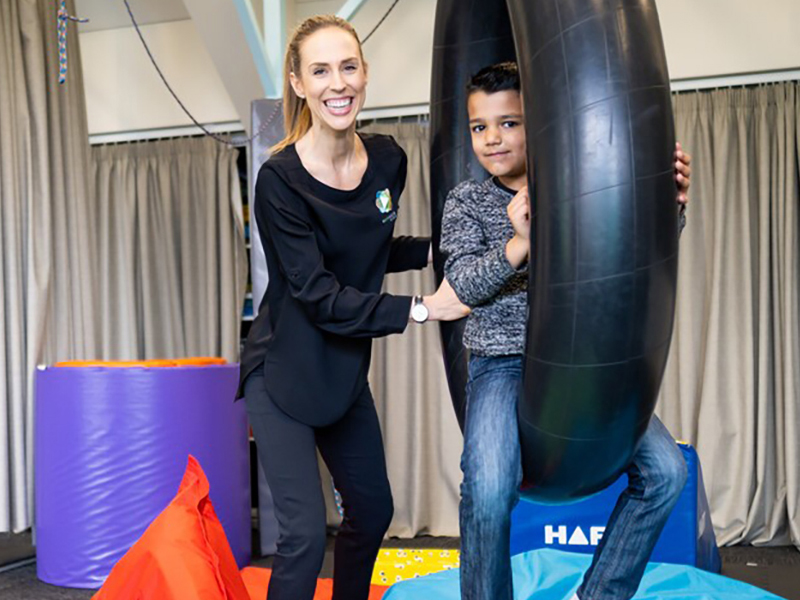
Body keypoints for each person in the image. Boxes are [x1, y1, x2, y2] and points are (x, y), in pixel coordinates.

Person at [440, 62, 693, 600]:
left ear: (542, 124)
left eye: (509, 123)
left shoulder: (587, 182)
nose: (492, 139)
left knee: (667, 472)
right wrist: (519, 242)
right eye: (479, 127)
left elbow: (633, 249)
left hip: (582, 362)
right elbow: (462, 283)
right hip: (502, 364)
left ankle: (596, 594)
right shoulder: (465, 201)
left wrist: (668, 205)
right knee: (487, 490)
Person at [238, 15, 469, 600]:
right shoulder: (280, 181)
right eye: (320, 71)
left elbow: (365, 252)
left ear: (365, 75)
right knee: (305, 537)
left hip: (342, 375)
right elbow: (318, 294)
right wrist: (421, 308)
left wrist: (444, 248)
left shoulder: (389, 160)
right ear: (298, 83)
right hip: (283, 374)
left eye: (347, 67)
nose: (336, 84)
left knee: (373, 511)